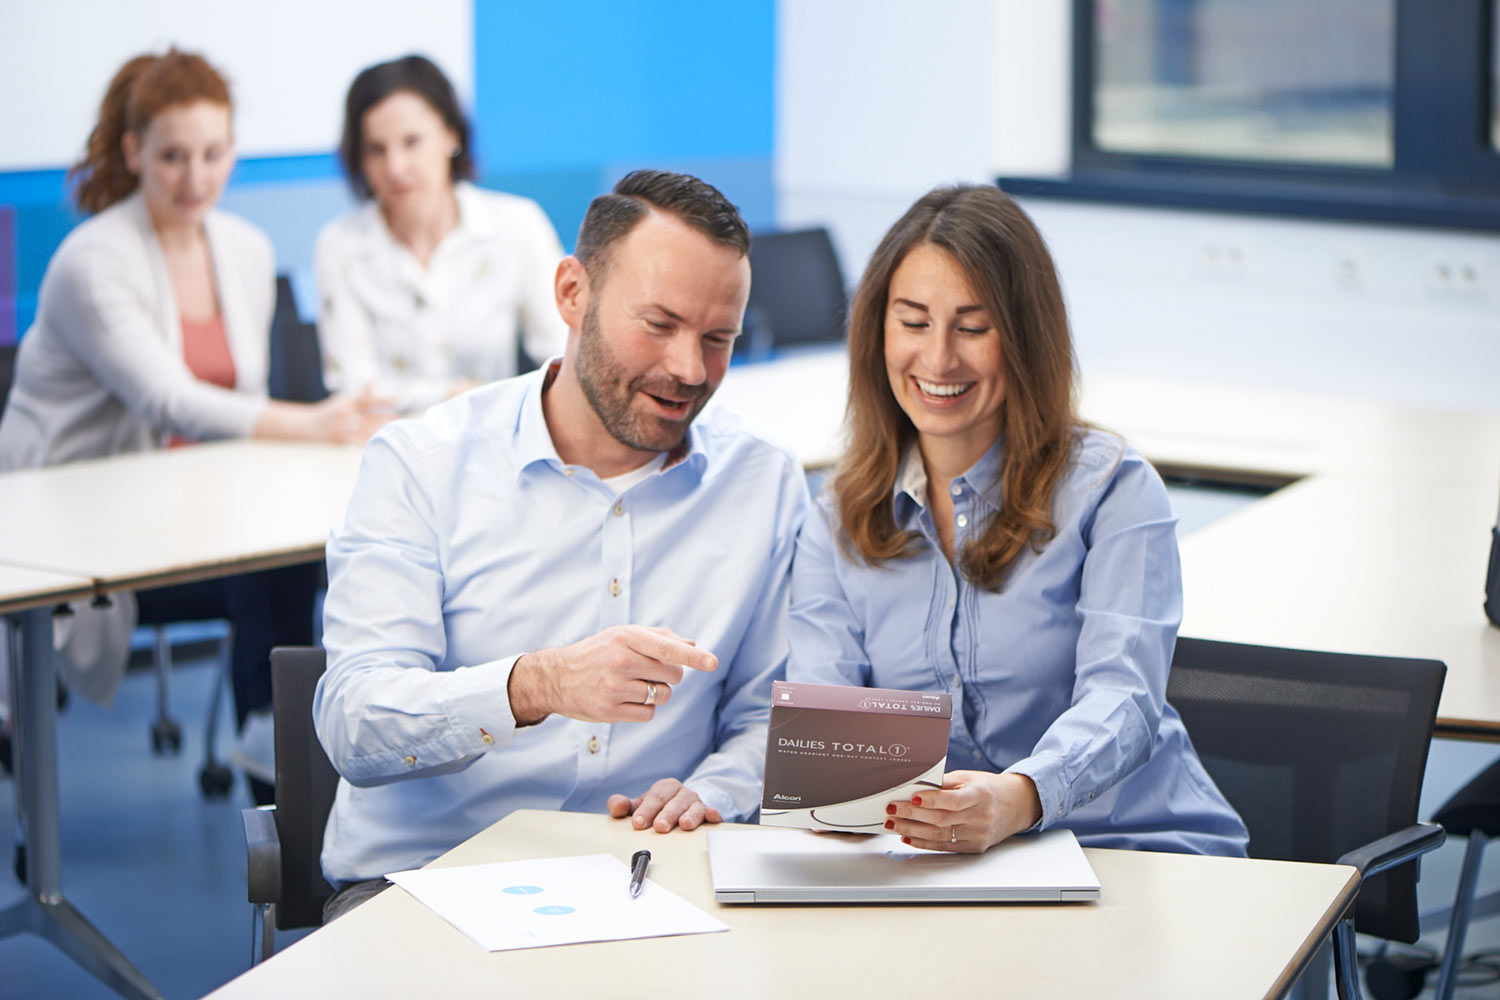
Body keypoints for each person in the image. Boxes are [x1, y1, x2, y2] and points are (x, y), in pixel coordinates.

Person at [314, 169, 808, 918]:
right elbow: (355, 724)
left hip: (649, 882)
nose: (688, 369)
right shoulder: (421, 464)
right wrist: (533, 686)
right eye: (659, 324)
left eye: (718, 339)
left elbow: (770, 713)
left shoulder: (763, 481)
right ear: (572, 293)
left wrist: (714, 789)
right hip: (427, 884)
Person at [787, 185, 1247, 856]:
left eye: (973, 327)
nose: (939, 359)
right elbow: (826, 724)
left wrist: (1020, 797)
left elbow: (1124, 698)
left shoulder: (1112, 492)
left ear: (1026, 336)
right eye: (913, 322)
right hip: (946, 869)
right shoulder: (835, 517)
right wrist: (831, 800)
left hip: (1130, 849)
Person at [0, 49, 388, 800]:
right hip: (67, 525)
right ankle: (275, 759)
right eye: (173, 155)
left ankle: (274, 761)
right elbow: (171, 402)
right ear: (133, 150)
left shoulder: (242, 248)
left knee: (283, 554)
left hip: (183, 506)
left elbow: (231, 411)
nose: (195, 177)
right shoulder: (92, 261)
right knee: (260, 566)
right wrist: (316, 423)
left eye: (214, 154)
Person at [314, 55, 569, 414]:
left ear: (452, 134)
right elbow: (354, 394)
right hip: (385, 451)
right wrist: (458, 396)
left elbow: (566, 358)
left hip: (496, 445)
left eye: (412, 142)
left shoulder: (517, 225)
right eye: (376, 149)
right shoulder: (340, 245)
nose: (395, 167)